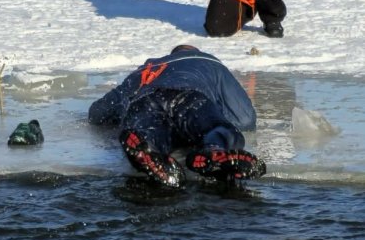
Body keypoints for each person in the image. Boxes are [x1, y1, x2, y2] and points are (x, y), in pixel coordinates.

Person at [87, 45, 265, 188]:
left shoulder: (147, 69)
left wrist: (119, 116)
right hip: (189, 98)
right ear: (196, 52)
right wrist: (217, 117)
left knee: (151, 131)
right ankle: (213, 149)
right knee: (219, 128)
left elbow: (98, 113)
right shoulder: (207, 61)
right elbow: (245, 118)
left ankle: (149, 149)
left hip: (144, 102)